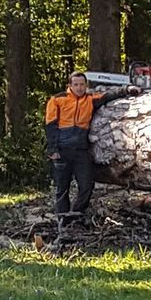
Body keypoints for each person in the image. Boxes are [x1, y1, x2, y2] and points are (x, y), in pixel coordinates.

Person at [44, 69, 107, 227]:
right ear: (70, 85)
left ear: (86, 85)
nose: (79, 88)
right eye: (76, 84)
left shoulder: (90, 99)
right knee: (61, 188)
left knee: (87, 185)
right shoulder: (58, 100)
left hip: (81, 150)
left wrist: (126, 90)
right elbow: (50, 126)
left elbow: (108, 96)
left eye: (82, 85)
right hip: (62, 150)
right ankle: (62, 221)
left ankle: (76, 216)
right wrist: (52, 150)